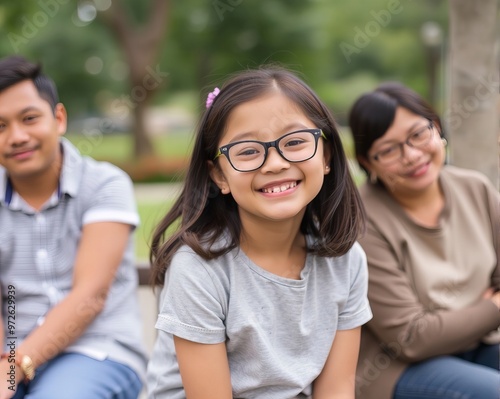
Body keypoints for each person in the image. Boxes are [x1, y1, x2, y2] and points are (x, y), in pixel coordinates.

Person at [146, 66, 372, 398]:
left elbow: (337, 389)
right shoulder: (198, 269)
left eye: (295, 142)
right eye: (248, 150)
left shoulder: (346, 260)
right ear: (219, 175)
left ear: (326, 156)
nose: (275, 163)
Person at [0, 56, 147, 399]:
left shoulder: (104, 184)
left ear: (59, 118)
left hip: (97, 352)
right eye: (0, 126)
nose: (17, 136)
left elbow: (89, 297)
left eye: (30, 118)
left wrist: (12, 372)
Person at [348, 82, 500, 399]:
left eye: (419, 134)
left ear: (438, 127)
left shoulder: (475, 188)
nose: (413, 155)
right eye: (389, 150)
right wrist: (492, 307)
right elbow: (411, 337)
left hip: (480, 344)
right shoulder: (361, 221)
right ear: (367, 163)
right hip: (398, 367)